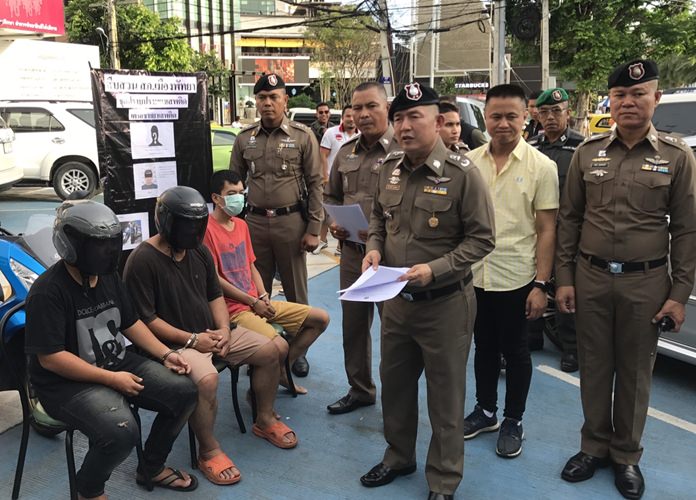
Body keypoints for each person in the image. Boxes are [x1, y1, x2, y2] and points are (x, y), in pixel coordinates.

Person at [556, 60, 696, 500]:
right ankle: (592, 447)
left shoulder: (677, 156)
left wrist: (679, 294)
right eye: (620, 95)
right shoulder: (587, 152)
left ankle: (627, 456)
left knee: (636, 373)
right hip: (591, 277)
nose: (629, 102)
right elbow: (570, 219)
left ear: (656, 98)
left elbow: (687, 229)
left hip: (646, 282)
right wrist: (564, 279)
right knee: (594, 367)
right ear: (610, 102)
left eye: (639, 94)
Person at [359, 82, 495, 500]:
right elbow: (379, 219)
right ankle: (398, 456)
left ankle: (443, 479)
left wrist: (433, 270)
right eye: (398, 117)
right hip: (396, 302)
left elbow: (482, 239)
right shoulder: (389, 168)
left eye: (413, 116)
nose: (403, 125)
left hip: (446, 306)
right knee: (395, 386)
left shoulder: (463, 174)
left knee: (445, 397)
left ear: (437, 122)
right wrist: (374, 249)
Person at [124, 186, 298, 488]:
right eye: (186, 225)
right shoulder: (142, 260)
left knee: (273, 350)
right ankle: (209, 449)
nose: (192, 231)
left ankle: (265, 418)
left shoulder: (198, 251)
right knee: (206, 379)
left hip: (212, 334)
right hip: (174, 344)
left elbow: (214, 295)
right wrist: (193, 340)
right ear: (166, 221)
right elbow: (146, 320)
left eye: (196, 224)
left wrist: (222, 330)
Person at [25, 200, 199, 498]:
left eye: (110, 244)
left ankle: (152, 467)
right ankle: (88, 491)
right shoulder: (47, 292)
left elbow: (131, 323)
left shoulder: (108, 278)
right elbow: (51, 359)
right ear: (71, 245)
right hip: (64, 384)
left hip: (114, 362)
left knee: (184, 392)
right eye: (98, 246)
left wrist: (166, 354)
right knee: (120, 431)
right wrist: (110, 379)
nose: (107, 253)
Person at [464, 84, 559, 458]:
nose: (503, 124)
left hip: (517, 277)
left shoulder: (542, 167)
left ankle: (513, 419)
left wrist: (541, 284)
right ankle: (486, 410)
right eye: (495, 116)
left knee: (517, 351)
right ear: (485, 118)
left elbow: (547, 228)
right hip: (474, 277)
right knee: (483, 346)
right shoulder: (469, 163)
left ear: (525, 117)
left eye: (511, 116)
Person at [230, 73, 323, 378]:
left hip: (291, 222)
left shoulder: (302, 135)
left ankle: (297, 353)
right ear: (255, 101)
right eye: (262, 98)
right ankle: (262, 348)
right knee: (257, 290)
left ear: (285, 100)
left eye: (274, 97)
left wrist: (313, 228)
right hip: (254, 223)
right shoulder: (245, 138)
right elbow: (233, 183)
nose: (267, 103)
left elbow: (315, 183)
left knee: (296, 290)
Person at [203, 170, 330, 395]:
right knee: (277, 346)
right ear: (215, 198)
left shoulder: (241, 226)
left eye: (241, 193)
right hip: (233, 310)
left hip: (256, 301)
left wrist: (263, 295)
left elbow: (252, 265)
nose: (239, 198)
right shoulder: (206, 231)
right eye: (232, 193)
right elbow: (215, 280)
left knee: (320, 319)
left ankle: (282, 370)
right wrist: (253, 302)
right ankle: (260, 396)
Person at [324, 82, 400, 415]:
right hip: (353, 253)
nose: (363, 114)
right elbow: (331, 195)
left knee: (395, 332)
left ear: (387, 108)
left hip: (391, 258)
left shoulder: (403, 149)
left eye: (371, 106)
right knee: (354, 328)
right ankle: (360, 389)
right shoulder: (346, 152)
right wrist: (332, 223)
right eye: (357, 108)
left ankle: (398, 399)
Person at [527, 87, 585, 372]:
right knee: (533, 281)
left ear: (568, 113)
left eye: (556, 112)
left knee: (565, 287)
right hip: (536, 229)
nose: (550, 118)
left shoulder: (580, 146)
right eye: (545, 112)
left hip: (566, 230)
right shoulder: (532, 145)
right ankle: (533, 334)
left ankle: (571, 347)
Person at [316, 104, 358, 252]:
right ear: (342, 117)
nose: (351, 119)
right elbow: (323, 156)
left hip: (353, 183)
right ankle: (322, 239)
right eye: (348, 116)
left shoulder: (361, 135)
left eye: (354, 116)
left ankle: (342, 246)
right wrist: (325, 176)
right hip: (332, 181)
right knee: (329, 212)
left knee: (350, 213)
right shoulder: (331, 133)